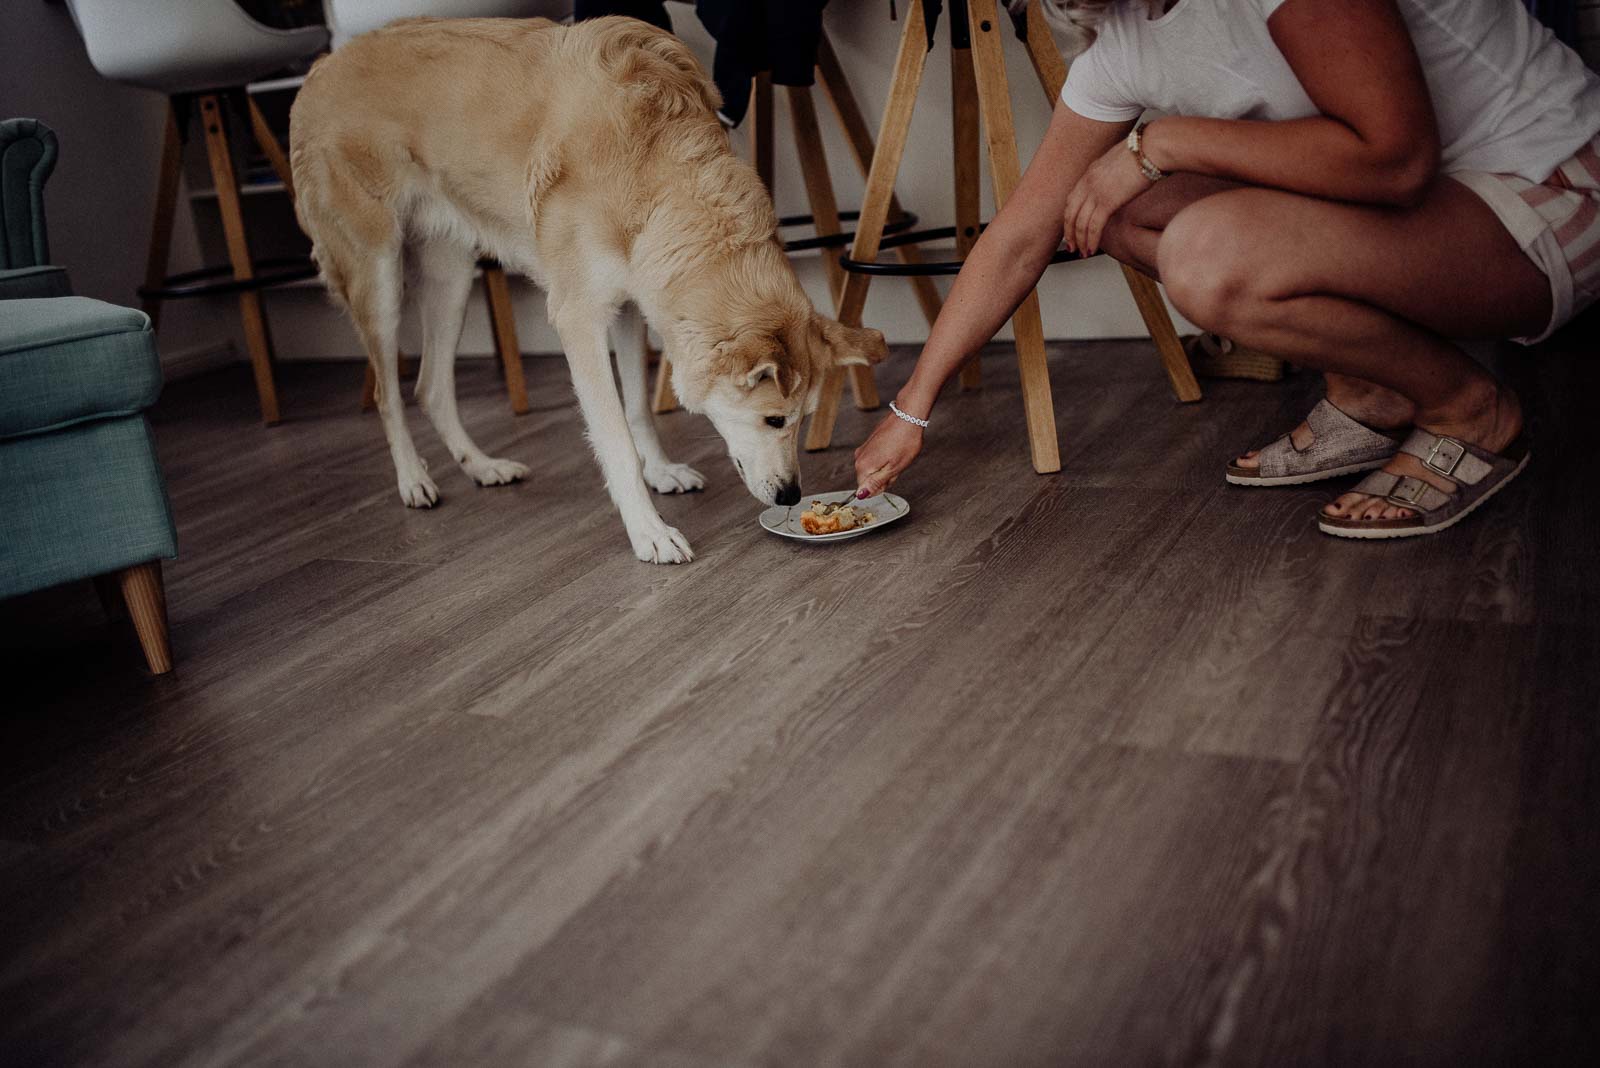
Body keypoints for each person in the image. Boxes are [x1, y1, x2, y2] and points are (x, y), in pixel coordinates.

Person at [851, 0, 1600, 539]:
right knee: (1105, 211)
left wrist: (1162, 143)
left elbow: (1395, 160)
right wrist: (910, 410)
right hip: (1435, 214)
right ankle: (1374, 385)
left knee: (1206, 253)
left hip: (1550, 188)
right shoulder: (1122, 42)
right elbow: (1022, 233)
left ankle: (1468, 406)